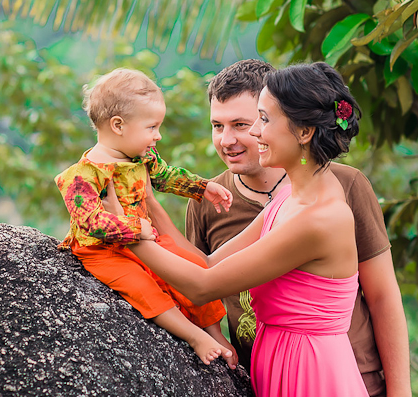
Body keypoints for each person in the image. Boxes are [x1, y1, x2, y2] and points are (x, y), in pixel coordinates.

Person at [113, 62, 374, 396]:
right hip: (280, 361)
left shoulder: (319, 219)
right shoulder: (293, 197)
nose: (255, 132)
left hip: (310, 371)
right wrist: (149, 201)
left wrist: (124, 234)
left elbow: (202, 286)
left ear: (304, 131)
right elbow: (208, 264)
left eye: (263, 120)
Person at [182, 60, 410, 397]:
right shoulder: (206, 201)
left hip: (348, 377)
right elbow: (200, 275)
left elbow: (382, 295)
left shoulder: (344, 186)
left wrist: (400, 391)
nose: (227, 139)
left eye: (246, 122)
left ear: (297, 125)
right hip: (267, 378)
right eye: (217, 125)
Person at [54, 68, 237, 368]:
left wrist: (202, 188)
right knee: (144, 288)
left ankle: (214, 331)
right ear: (118, 125)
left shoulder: (141, 157)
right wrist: (136, 228)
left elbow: (165, 177)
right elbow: (91, 222)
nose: (158, 135)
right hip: (104, 253)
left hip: (147, 237)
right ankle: (193, 335)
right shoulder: (82, 175)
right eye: (152, 127)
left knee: (190, 268)